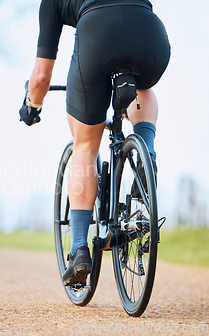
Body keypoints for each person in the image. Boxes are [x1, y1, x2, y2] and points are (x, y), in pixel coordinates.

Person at [19, 0, 170, 286]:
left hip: (96, 38)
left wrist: (31, 106)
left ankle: (78, 249)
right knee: (143, 86)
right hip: (150, 35)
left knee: (85, 147)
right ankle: (146, 153)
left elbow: (40, 77)